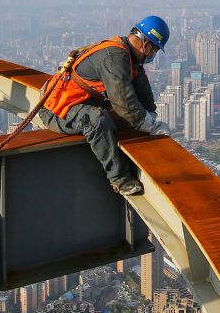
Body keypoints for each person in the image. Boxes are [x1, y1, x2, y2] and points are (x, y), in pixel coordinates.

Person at [38, 15, 171, 196]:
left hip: (78, 103)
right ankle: (120, 179)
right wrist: (150, 126)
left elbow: (142, 88)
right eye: (154, 50)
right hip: (56, 110)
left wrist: (151, 117)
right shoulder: (115, 57)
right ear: (146, 45)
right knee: (96, 120)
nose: (153, 55)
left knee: (119, 117)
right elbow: (124, 101)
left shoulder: (128, 56)